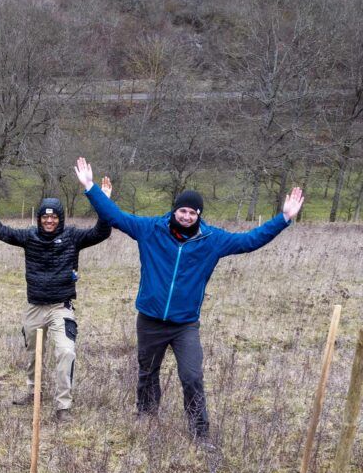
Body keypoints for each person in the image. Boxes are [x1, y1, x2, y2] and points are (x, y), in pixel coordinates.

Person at [73, 157, 305, 439]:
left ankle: (200, 432)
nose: (186, 216)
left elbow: (250, 240)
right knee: (148, 372)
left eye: (192, 213)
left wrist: (283, 219)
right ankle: (146, 418)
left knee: (192, 376)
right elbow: (116, 216)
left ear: (198, 215)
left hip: (185, 325)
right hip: (150, 319)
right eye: (182, 211)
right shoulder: (150, 230)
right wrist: (90, 187)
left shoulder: (212, 240)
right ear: (175, 210)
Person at [0, 179, 113, 421]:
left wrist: (105, 203)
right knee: (32, 353)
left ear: (61, 219)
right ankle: (33, 391)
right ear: (39, 218)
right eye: (45, 217)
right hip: (34, 307)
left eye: (54, 217)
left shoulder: (72, 237)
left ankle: (63, 407)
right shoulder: (29, 236)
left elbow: (101, 232)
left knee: (66, 352)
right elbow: (1, 231)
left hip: (61, 307)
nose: (49, 221)